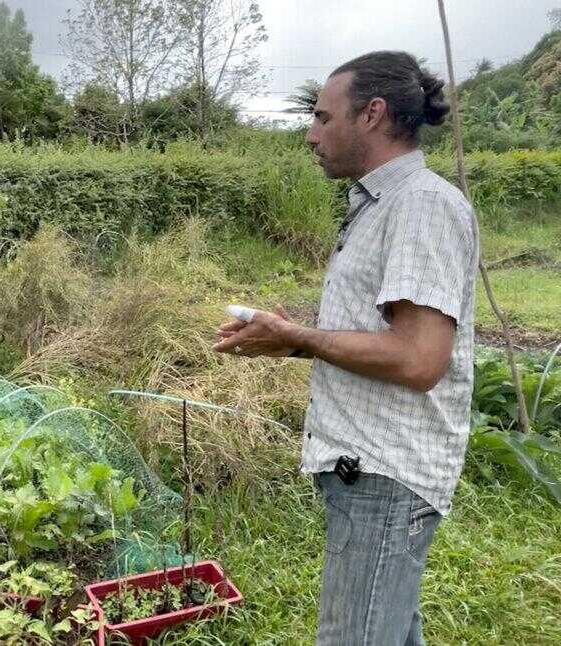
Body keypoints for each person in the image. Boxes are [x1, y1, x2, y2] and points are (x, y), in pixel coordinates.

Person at [212, 51, 478, 646]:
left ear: (373, 115)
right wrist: (294, 342)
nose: (311, 134)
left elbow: (418, 358)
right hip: (372, 471)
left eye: (323, 118)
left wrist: (300, 336)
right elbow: (384, 336)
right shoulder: (380, 205)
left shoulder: (421, 205)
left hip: (388, 475)